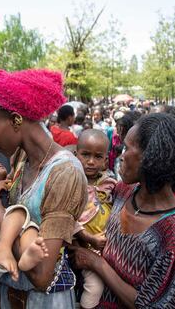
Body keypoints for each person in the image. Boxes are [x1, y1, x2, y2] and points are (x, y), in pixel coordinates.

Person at [0, 54, 87, 308]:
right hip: (10, 294)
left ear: (16, 120)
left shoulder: (65, 172)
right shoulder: (22, 159)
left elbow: (42, 275)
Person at [70, 113, 175, 308]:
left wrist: (97, 264)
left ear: (152, 158)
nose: (121, 156)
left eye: (127, 148)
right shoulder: (123, 192)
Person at [74, 129, 117, 309]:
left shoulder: (110, 185)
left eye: (98, 157)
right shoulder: (72, 181)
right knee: (95, 286)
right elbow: (65, 217)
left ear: (106, 160)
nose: (91, 161)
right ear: (76, 155)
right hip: (79, 245)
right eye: (85, 155)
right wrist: (87, 237)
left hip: (106, 247)